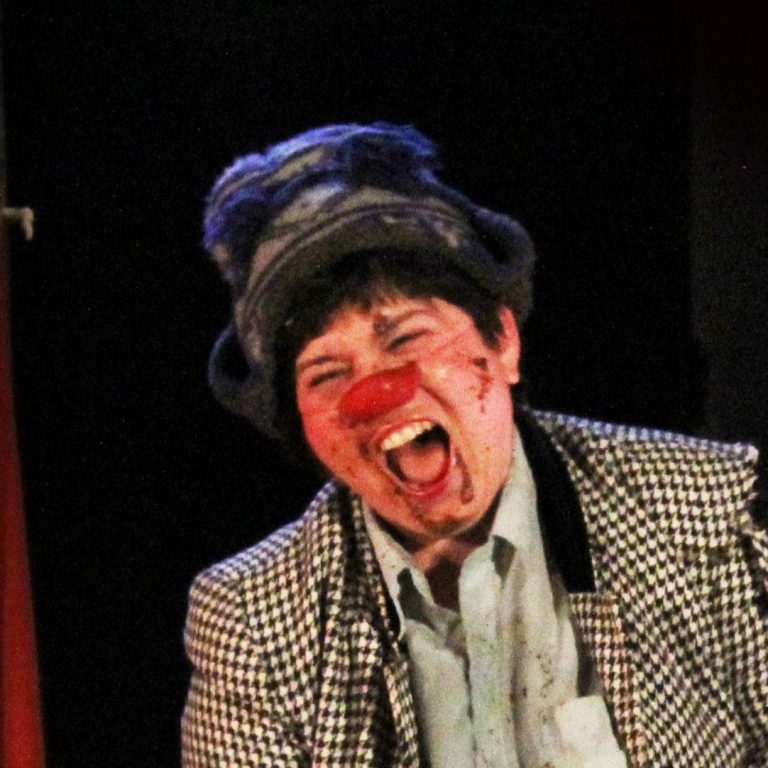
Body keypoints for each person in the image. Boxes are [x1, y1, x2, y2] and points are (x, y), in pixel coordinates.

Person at [182, 123, 768, 767]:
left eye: (406, 337)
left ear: (504, 343)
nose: (376, 394)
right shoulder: (249, 619)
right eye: (326, 374)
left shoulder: (720, 513)